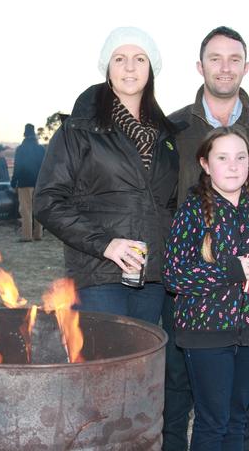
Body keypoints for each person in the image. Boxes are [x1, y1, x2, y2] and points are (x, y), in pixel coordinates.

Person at [163, 26, 249, 451]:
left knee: (238, 406)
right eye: (215, 58)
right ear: (200, 65)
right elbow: (158, 203)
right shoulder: (173, 129)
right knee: (180, 389)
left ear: (246, 66)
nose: (225, 67)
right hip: (194, 292)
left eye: (234, 59)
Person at [34, 26, 180, 324]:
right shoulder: (79, 129)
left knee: (141, 365)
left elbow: (171, 204)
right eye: (119, 58)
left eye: (140, 59)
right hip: (98, 274)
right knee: (104, 364)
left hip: (151, 278)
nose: (129, 67)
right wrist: (105, 244)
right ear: (107, 68)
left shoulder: (166, 137)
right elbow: (48, 201)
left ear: (151, 69)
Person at [11, 123, 46, 242]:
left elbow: (17, 167)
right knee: (38, 209)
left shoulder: (21, 149)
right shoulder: (41, 149)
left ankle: (27, 236)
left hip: (24, 183)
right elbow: (46, 166)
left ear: (25, 135)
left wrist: (13, 182)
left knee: (26, 210)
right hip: (39, 183)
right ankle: (38, 234)